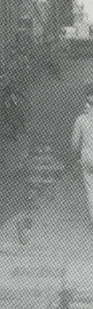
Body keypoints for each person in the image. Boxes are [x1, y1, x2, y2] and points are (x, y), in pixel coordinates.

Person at [72, 87, 93, 223]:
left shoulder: (81, 120)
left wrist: (76, 157)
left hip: (87, 156)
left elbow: (74, 143)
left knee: (90, 188)